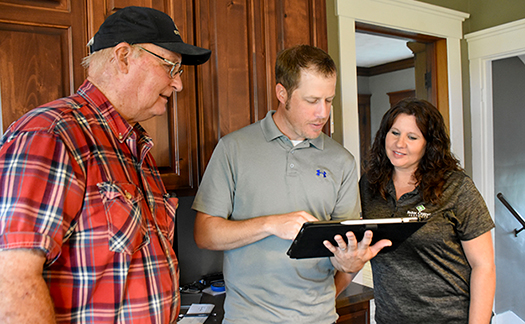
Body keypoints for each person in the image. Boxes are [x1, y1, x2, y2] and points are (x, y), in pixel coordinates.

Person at [0, 6, 211, 323]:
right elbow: (12, 282)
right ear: (124, 57)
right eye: (171, 67)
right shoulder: (52, 135)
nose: (178, 84)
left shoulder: (133, 146)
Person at [192, 44, 390, 324]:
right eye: (312, 100)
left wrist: (348, 265)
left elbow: (347, 248)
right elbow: (204, 234)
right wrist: (270, 224)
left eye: (329, 100)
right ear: (282, 93)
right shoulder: (233, 149)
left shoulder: (342, 161)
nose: (323, 112)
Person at [360, 98, 496, 324]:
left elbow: (484, 266)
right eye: (394, 133)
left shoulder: (456, 187)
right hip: (389, 319)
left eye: (412, 137)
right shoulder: (369, 185)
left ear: (429, 145)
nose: (399, 143)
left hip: (450, 318)